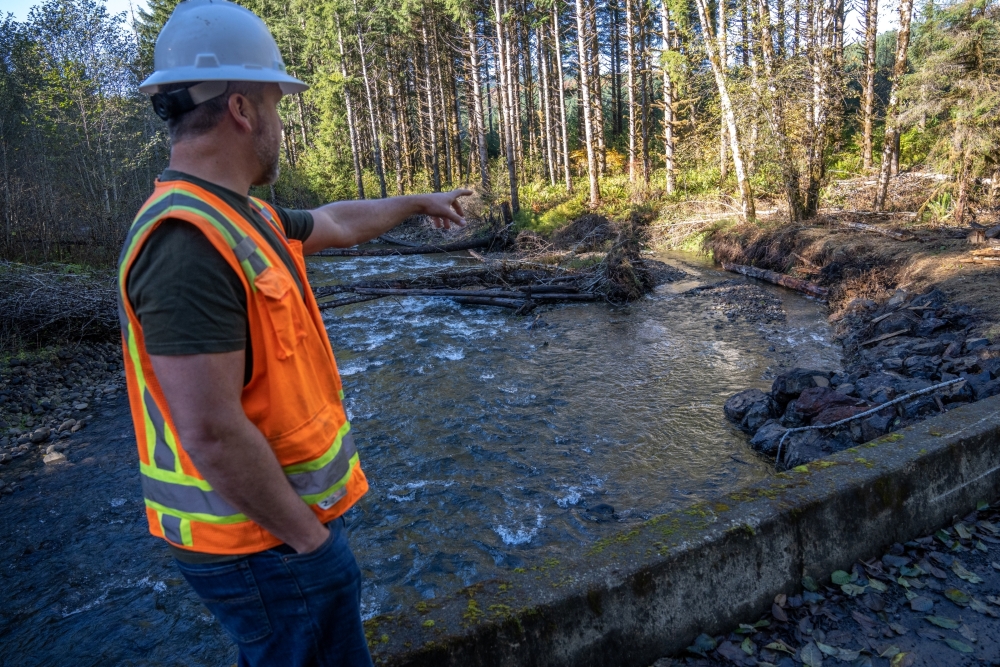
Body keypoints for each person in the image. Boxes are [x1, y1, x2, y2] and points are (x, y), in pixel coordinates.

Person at [117, 1, 471, 665]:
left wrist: (420, 202)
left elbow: (335, 222)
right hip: (259, 544)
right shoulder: (187, 241)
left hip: (269, 536)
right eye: (277, 105)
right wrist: (310, 540)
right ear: (242, 109)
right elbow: (210, 430)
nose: (282, 124)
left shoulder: (239, 213)